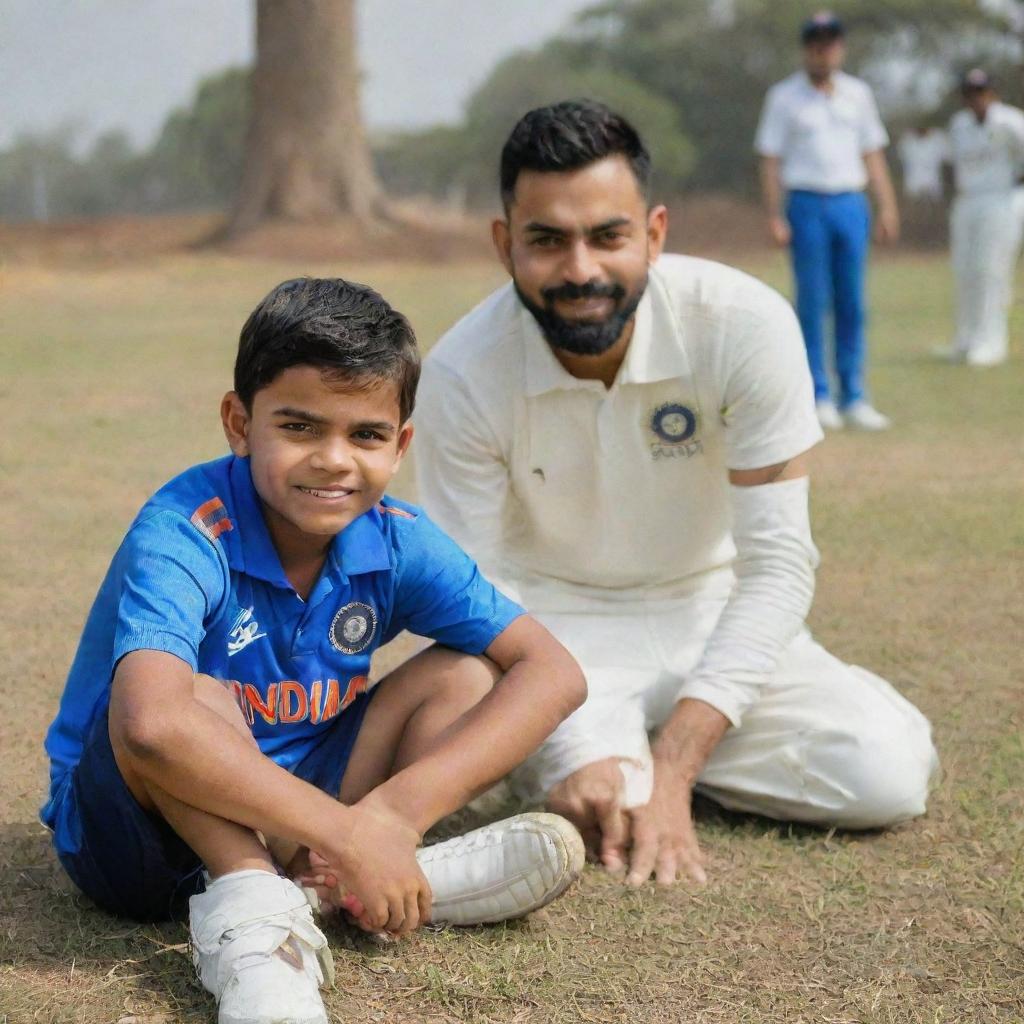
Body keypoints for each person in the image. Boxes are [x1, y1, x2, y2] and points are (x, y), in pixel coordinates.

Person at [414, 100, 938, 892]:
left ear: (654, 233)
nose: (581, 270)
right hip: (557, 632)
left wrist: (677, 763)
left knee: (888, 773)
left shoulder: (742, 322)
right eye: (548, 240)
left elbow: (777, 565)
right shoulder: (461, 370)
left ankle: (651, 763)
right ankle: (609, 763)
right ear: (505, 244)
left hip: (709, 607)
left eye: (609, 236)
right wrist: (574, 741)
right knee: (577, 777)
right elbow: (481, 592)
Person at [41, 278, 587, 1024]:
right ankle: (260, 922)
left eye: (365, 435)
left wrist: (392, 816)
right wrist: (346, 830)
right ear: (240, 422)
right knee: (192, 696)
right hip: (144, 837)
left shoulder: (395, 537)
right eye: (300, 428)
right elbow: (150, 729)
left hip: (308, 813)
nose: (334, 460)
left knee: (465, 673)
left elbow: (553, 672)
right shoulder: (185, 527)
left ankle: (367, 877)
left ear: (400, 445)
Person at [755, 11, 900, 431]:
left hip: (850, 202)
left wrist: (886, 206)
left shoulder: (858, 94)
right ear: (806, 49)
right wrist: (775, 214)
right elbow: (770, 159)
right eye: (816, 42)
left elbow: (873, 153)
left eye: (831, 41)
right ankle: (817, 393)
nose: (824, 50)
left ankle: (854, 394)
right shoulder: (784, 97)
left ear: (841, 47)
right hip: (805, 203)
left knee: (852, 302)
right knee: (812, 302)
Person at [941, 68, 1024, 367]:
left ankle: (991, 342)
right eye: (970, 94)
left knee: (990, 271)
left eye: (981, 93)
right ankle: (966, 338)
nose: (975, 99)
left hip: (999, 200)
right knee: (965, 271)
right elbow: (953, 164)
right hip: (967, 202)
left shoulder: (1011, 122)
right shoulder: (959, 124)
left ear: (992, 94)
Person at [897, 126, 948, 201]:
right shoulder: (906, 141)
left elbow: (947, 158)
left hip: (934, 190)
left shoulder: (939, 138)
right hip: (913, 191)